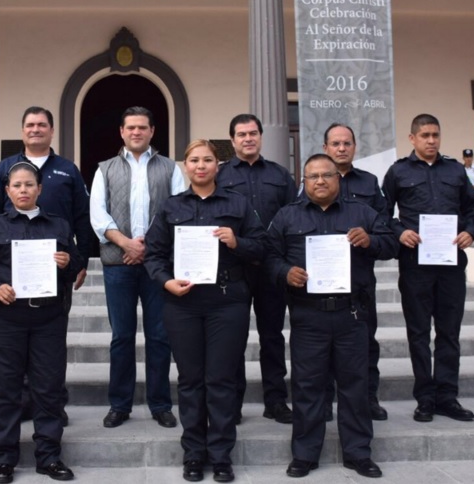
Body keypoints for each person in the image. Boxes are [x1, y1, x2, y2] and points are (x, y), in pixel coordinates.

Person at [266, 154, 398, 479]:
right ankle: (305, 455)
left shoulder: (362, 213)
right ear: (304, 181)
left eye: (327, 175)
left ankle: (358, 454)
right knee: (308, 386)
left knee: (355, 385)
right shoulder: (286, 217)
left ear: (338, 179)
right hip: (308, 316)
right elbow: (268, 256)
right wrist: (285, 272)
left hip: (351, 314)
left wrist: (371, 241)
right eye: (313, 177)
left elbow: (392, 243)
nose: (321, 181)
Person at [145, 139, 265, 483]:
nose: (201, 165)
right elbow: (154, 255)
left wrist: (236, 242)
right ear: (185, 166)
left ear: (218, 165)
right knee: (191, 380)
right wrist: (166, 281)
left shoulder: (238, 205)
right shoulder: (169, 207)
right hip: (182, 303)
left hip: (227, 301)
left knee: (222, 379)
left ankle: (222, 455)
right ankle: (194, 454)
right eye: (194, 160)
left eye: (208, 160)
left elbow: (261, 247)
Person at [0, 162, 81, 483]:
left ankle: (49, 456)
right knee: (6, 390)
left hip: (48, 319)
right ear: (7, 191)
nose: (23, 190)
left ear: (39, 189)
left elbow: (77, 266)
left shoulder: (59, 226)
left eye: (29, 185)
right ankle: (5, 457)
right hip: (7, 321)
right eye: (17, 185)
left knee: (48, 390)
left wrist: (69, 262)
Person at [0, 106, 92, 425]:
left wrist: (80, 260)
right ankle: (22, 405)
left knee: (49, 344)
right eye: (29, 124)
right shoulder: (5, 167)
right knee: (16, 346)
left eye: (42, 125)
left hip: (55, 272)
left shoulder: (68, 170)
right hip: (12, 274)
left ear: (52, 130)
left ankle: (51, 405)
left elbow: (82, 218)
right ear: (22, 131)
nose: (35, 129)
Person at [90, 106, 187, 429]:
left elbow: (178, 210)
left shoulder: (170, 168)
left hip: (157, 265)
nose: (136, 132)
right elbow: (98, 216)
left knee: (160, 336)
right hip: (118, 265)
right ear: (121, 131)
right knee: (122, 337)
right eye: (130, 127)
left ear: (152, 131)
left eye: (142, 127)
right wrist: (127, 244)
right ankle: (120, 404)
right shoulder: (104, 169)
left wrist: (145, 247)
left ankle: (160, 404)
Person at [383, 114, 474, 423]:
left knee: (449, 333)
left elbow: (471, 209)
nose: (431, 140)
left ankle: (447, 397)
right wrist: (400, 232)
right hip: (415, 264)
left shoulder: (455, 170)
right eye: (424, 135)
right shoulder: (398, 171)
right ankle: (425, 397)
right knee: (419, 333)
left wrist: (470, 231)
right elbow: (381, 213)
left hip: (451, 263)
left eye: (435, 135)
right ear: (412, 138)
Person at [215, 114, 295, 425]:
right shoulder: (221, 176)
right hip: (234, 267)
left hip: (271, 267)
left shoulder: (280, 175)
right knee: (233, 337)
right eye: (241, 134)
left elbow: (292, 216)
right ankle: (232, 403)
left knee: (272, 336)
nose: (248, 139)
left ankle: (275, 400)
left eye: (253, 133)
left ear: (261, 137)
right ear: (232, 140)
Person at [322, 123, 391, 422]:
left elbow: (387, 234)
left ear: (354, 147)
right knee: (322, 347)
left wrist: (371, 240)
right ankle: (323, 401)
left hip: (359, 280)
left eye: (346, 143)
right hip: (323, 281)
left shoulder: (370, 183)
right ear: (325, 147)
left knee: (365, 342)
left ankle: (368, 398)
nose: (341, 148)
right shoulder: (315, 180)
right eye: (335, 143)